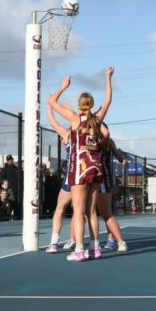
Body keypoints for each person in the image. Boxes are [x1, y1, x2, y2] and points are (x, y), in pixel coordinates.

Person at [48, 67, 113, 261]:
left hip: (80, 169)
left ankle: (78, 250)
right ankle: (95, 248)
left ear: (80, 105)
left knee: (78, 211)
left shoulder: (75, 119)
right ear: (92, 104)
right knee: (91, 211)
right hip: (96, 168)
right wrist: (108, 78)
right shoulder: (97, 119)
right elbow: (108, 100)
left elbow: (51, 102)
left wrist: (62, 87)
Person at [45, 101, 73, 253]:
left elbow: (51, 121)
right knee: (84, 213)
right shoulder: (85, 132)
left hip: (72, 177)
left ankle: (54, 243)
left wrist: (51, 104)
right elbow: (73, 115)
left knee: (60, 209)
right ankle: (85, 243)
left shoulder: (69, 134)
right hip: (84, 178)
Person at [97, 132, 129, 252]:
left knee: (106, 213)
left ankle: (118, 241)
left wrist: (123, 160)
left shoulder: (106, 140)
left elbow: (119, 156)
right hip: (90, 178)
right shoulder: (86, 137)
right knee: (85, 212)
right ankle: (90, 243)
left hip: (103, 179)